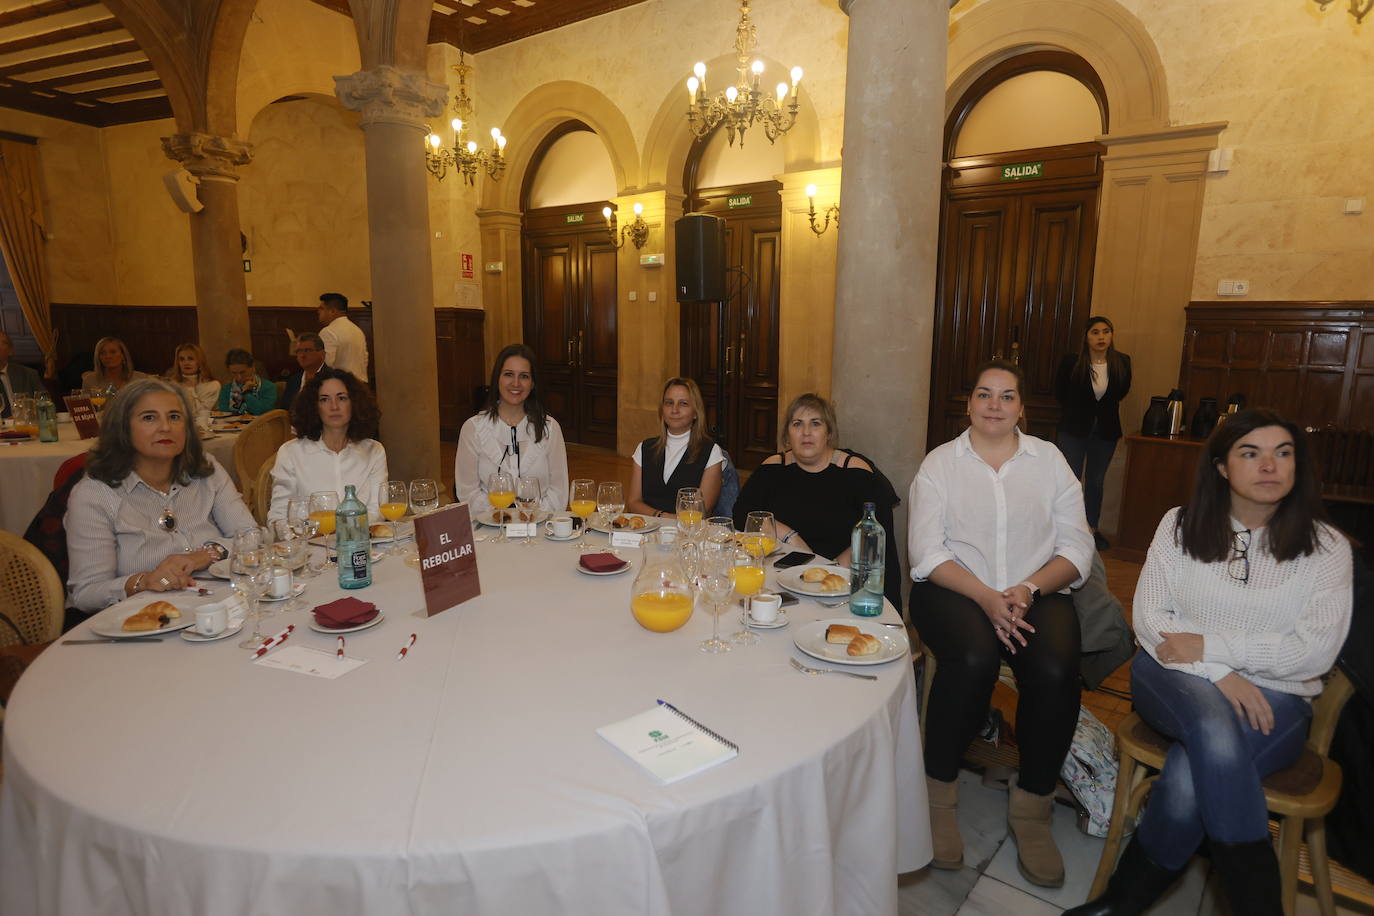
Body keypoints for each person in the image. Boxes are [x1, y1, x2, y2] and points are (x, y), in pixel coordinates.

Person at [1067, 409, 1353, 916]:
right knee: (1214, 723)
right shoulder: (1179, 525)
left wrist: (1212, 648)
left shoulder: (1327, 548)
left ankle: (1123, 903)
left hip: (1278, 700)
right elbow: (1152, 621)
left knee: (1186, 776)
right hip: (1171, 677)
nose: (1270, 465)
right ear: (1221, 466)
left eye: (1282, 453)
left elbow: (1314, 652)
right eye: (1251, 453)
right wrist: (1218, 673)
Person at [908, 360, 1094, 887]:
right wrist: (988, 598)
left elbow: (1078, 547)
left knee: (1058, 667)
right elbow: (924, 551)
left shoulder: (1050, 461)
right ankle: (938, 794)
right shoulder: (941, 464)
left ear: (1020, 407)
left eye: (1006, 396)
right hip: (954, 588)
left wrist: (1028, 590)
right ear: (968, 404)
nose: (994, 405)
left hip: (1035, 589)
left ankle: (1032, 808)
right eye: (984, 395)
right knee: (973, 659)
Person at [64, 378, 255, 612]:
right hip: (142, 621)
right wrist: (143, 581)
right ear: (122, 428)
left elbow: (252, 536)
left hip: (222, 606)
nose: (165, 427)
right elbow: (86, 593)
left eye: (174, 417)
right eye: (149, 417)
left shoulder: (205, 471)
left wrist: (205, 555)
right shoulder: (94, 495)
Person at [732, 392, 902, 608]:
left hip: (842, 581)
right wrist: (790, 535)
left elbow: (877, 532)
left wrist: (831, 571)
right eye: (797, 424)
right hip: (782, 577)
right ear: (787, 434)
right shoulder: (773, 468)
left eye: (815, 424)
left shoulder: (856, 472)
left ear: (828, 432)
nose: (806, 433)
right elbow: (741, 514)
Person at [455, 343, 568, 514]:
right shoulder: (472, 429)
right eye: (508, 374)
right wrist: (502, 517)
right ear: (497, 379)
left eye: (524, 376)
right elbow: (467, 492)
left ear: (532, 383)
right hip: (489, 529)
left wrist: (529, 518)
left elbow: (559, 493)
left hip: (539, 528)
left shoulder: (550, 429)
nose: (516, 383)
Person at [268, 368, 387, 524]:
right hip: (308, 543)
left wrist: (345, 534)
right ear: (314, 406)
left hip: (360, 543)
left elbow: (377, 511)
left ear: (355, 403)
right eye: (324, 399)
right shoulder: (291, 453)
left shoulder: (373, 451)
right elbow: (278, 517)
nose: (334, 406)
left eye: (342, 398)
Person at [1055, 316, 1131, 550]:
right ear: (1086, 337)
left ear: (1112, 335)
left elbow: (1122, 392)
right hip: (1074, 429)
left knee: (1096, 482)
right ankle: (1066, 529)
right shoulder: (1072, 362)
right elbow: (1060, 393)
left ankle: (1092, 529)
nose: (1101, 337)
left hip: (1106, 431)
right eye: (1095, 332)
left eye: (1106, 332)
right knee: (1071, 480)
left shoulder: (1122, 361)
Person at [627, 377, 723, 517]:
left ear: (696, 412)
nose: (674, 409)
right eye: (669, 403)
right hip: (647, 531)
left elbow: (701, 512)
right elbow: (633, 503)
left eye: (683, 403)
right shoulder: (644, 448)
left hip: (688, 534)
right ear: (662, 410)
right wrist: (662, 516)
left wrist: (667, 521)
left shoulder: (711, 452)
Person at [317, 292, 368, 382]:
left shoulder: (328, 331)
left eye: (321, 308)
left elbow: (325, 364)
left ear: (332, 311)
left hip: (340, 385)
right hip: (360, 384)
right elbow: (364, 360)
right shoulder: (357, 330)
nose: (318, 311)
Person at [215, 348, 278, 416]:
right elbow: (224, 413)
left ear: (253, 368)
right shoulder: (226, 389)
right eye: (234, 373)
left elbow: (263, 413)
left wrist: (247, 393)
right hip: (232, 425)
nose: (239, 377)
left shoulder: (269, 387)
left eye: (242, 372)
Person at [163, 342, 220, 416]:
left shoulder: (212, 385)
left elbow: (201, 413)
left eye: (190, 359)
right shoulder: (172, 385)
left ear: (199, 361)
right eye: (182, 359)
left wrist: (190, 389)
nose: (186, 363)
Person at [0, 331, 45, 419]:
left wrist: (25, 415)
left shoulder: (28, 374)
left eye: (2, 343)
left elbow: (44, 403)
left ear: (10, 351)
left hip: (25, 426)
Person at [280, 332, 328, 412]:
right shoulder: (293, 380)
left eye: (308, 350)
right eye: (299, 351)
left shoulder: (333, 379)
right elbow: (284, 410)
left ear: (322, 354)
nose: (302, 355)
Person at [80, 337, 147, 392]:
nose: (108, 356)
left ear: (123, 355)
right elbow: (86, 407)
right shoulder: (90, 380)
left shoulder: (140, 379)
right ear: (98, 357)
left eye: (113, 352)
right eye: (102, 353)